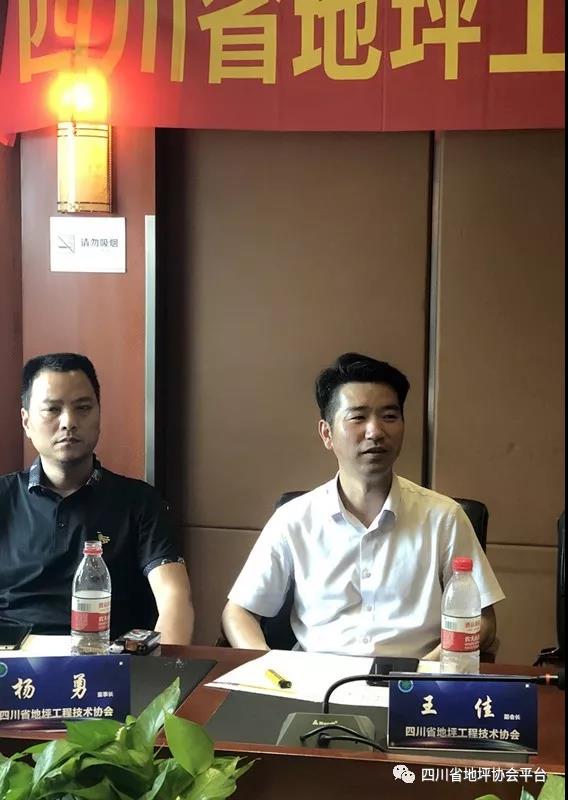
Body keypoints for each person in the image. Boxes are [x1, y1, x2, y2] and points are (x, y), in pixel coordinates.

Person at [222, 352, 505, 659]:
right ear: (327, 434)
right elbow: (238, 612)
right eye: (358, 417)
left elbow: (482, 620)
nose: (376, 432)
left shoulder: (444, 517)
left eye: (389, 417)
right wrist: (267, 667)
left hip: (415, 677)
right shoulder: (294, 519)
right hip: (315, 678)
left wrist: (425, 668)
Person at [0, 352, 194, 645]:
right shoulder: (4, 499)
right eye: (52, 409)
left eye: (83, 408)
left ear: (99, 414)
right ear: (26, 421)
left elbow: (174, 597)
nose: (69, 422)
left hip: (106, 661)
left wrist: (162, 667)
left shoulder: (140, 502)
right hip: (11, 662)